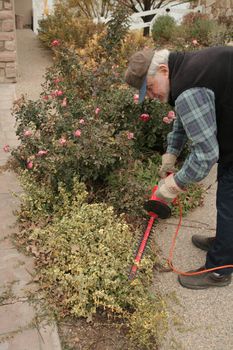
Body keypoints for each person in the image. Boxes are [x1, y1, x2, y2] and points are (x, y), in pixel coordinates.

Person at [125, 46, 233, 289]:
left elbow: (206, 155)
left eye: (150, 88)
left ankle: (219, 269)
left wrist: (174, 186)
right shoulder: (183, 70)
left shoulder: (188, 86)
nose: (151, 96)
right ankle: (226, 242)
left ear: (163, 71)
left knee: (229, 199)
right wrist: (171, 154)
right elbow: (184, 120)